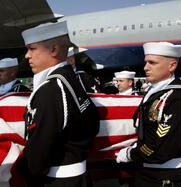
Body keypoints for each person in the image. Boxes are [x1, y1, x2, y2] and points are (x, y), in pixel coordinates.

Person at [17, 21, 100, 187]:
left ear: (54, 50)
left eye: (32, 48)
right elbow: (93, 125)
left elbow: (38, 150)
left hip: (57, 181)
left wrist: (26, 173)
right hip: (80, 178)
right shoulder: (72, 80)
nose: (27, 55)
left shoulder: (50, 90)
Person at [116, 42, 181, 186]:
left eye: (152, 63)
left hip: (164, 175)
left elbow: (162, 145)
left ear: (172, 66)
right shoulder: (154, 92)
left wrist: (130, 154)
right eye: (146, 62)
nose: (146, 68)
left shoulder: (176, 97)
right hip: (146, 170)